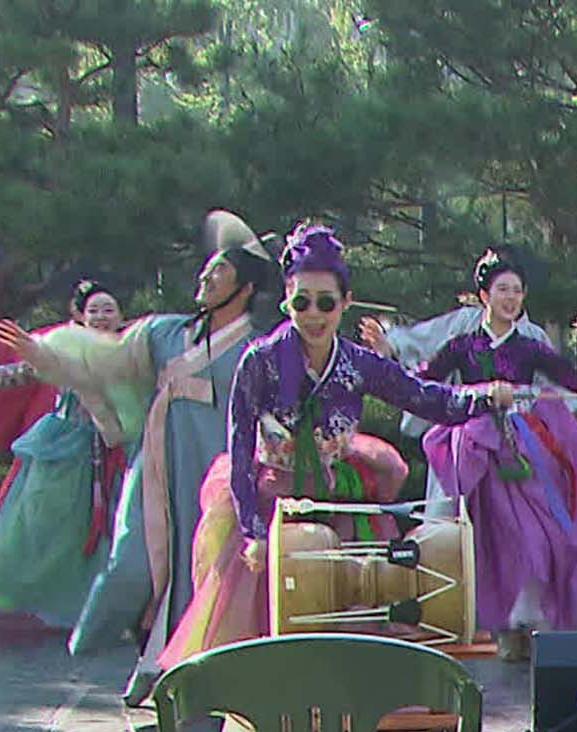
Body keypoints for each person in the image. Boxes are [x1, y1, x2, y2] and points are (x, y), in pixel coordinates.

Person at [152, 224, 512, 669]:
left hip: (336, 499)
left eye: (326, 302)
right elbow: (240, 449)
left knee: (345, 629)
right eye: (301, 301)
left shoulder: (358, 364)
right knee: (267, 643)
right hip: (271, 506)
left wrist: (483, 396)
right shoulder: (259, 362)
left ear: (345, 302)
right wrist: (252, 533)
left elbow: (428, 398)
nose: (313, 314)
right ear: (287, 301)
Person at [0, 210, 277, 704]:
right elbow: (102, 360)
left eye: (220, 272)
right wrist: (44, 354)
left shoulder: (259, 348)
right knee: (131, 565)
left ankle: (170, 672)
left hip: (221, 476)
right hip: (157, 470)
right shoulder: (164, 334)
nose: (206, 278)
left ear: (247, 288)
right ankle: (119, 645)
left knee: (206, 575)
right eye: (206, 269)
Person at [366, 246, 577, 662]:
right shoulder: (463, 346)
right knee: (481, 534)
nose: (511, 298)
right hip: (474, 444)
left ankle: (525, 620)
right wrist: (386, 357)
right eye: (503, 290)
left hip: (522, 444)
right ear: (484, 296)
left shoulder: (530, 348)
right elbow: (420, 386)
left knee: (536, 530)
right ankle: (495, 625)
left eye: (517, 291)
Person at [0, 278, 139, 635]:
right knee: (25, 529)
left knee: (113, 534)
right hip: (61, 453)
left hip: (115, 451)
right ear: (80, 316)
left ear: (122, 316)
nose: (101, 317)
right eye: (94, 310)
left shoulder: (134, 354)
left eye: (109, 310)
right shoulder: (59, 351)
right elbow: (10, 375)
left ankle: (108, 615)